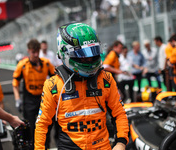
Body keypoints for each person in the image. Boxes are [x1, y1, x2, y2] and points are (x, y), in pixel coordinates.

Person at [35, 22, 129, 150]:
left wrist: (121, 142)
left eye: (93, 53)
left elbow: (119, 113)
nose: (89, 59)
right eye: (83, 56)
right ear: (65, 53)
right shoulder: (53, 85)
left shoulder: (106, 79)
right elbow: (43, 124)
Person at [12, 38, 55, 149]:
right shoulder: (23, 65)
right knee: (30, 127)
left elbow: (56, 79)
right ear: (28, 51)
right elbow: (15, 83)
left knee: (46, 126)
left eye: (37, 51)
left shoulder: (46, 63)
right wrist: (17, 99)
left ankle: (45, 147)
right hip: (29, 100)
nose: (35, 54)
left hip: (43, 99)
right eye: (33, 52)